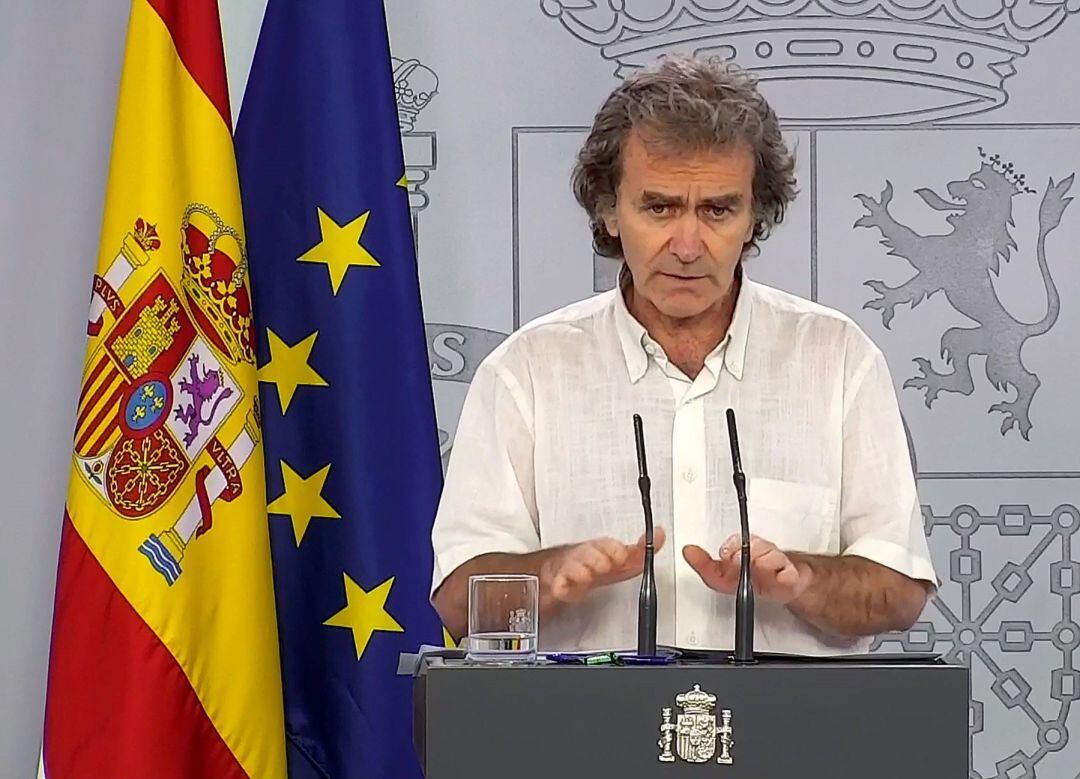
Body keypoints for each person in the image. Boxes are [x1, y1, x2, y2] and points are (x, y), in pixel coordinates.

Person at [430, 55, 937, 655]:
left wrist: (800, 579)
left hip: (792, 738)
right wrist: (553, 575)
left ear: (755, 217)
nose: (689, 246)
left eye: (717, 210)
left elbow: (899, 591)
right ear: (609, 211)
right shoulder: (529, 370)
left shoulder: (837, 357)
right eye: (660, 207)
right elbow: (457, 601)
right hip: (579, 739)